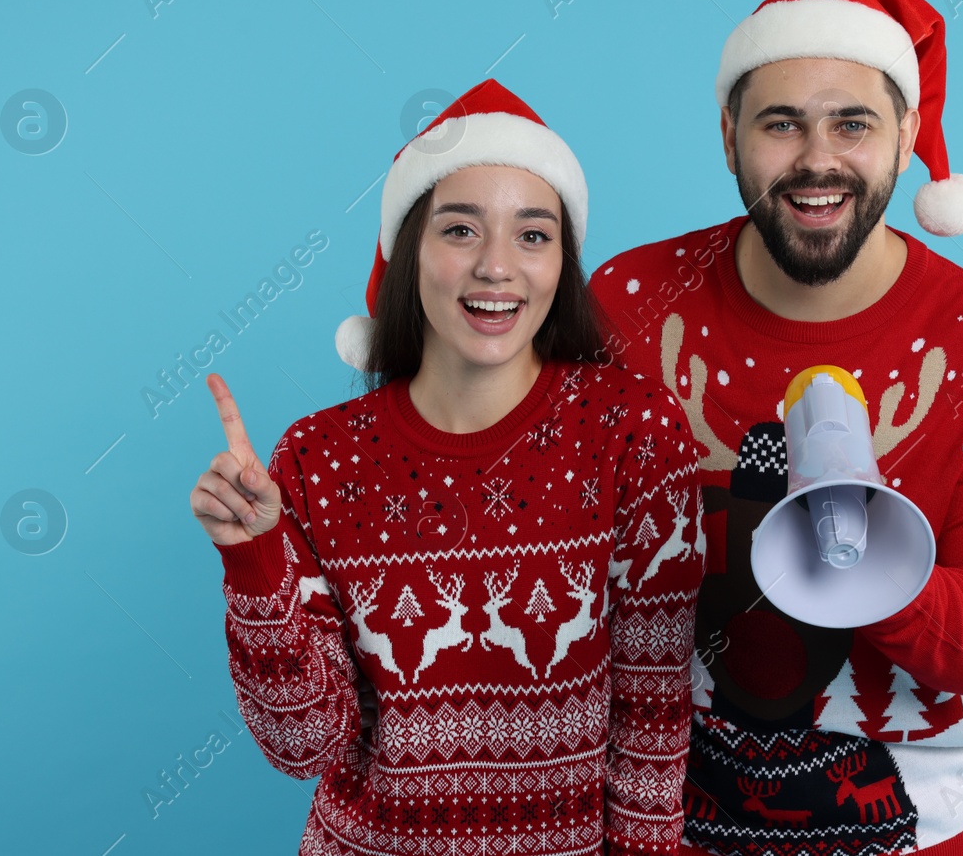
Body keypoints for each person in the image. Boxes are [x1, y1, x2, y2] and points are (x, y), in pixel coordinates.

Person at [588, 0, 963, 855]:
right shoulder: (628, 301)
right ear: (729, 135)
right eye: (781, 123)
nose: (818, 159)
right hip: (660, 826)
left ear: (907, 130)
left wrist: (868, 572)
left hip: (908, 831)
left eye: (853, 122)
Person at [189, 80, 704, 856]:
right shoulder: (315, 459)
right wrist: (254, 559)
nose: (497, 266)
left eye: (533, 235)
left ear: (562, 262)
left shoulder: (632, 433)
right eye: (461, 229)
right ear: (408, 254)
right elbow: (305, 748)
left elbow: (653, 723)